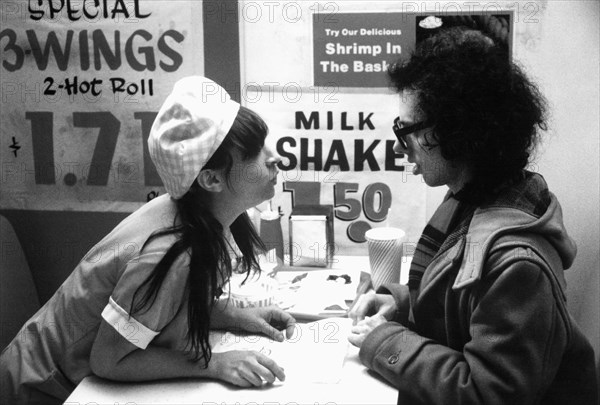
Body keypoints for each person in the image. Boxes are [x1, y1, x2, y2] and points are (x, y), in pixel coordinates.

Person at [0, 76, 295, 405]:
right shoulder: (170, 252)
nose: (275, 158)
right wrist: (216, 364)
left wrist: (233, 315)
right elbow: (110, 359)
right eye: (255, 152)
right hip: (37, 391)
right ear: (211, 179)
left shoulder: (199, 213)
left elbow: (170, 305)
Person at [348, 27, 597, 404]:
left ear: (457, 132)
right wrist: (401, 305)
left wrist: (384, 342)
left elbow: (489, 393)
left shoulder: (518, 263)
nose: (402, 147)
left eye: (407, 129)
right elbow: (462, 310)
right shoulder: (470, 199)